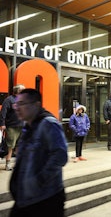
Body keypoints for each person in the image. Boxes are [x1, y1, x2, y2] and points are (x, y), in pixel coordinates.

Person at [10, 88, 68, 216]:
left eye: (22, 104)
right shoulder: (28, 127)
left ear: (36, 105)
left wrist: (38, 181)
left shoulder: (49, 124)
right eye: (16, 104)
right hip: (25, 199)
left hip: (45, 199)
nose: (17, 108)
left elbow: (60, 156)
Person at [0, 84, 25, 171]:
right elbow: (3, 112)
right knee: (10, 146)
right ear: (18, 91)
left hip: (22, 126)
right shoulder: (9, 100)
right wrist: (2, 124)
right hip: (12, 127)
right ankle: (7, 164)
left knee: (19, 146)